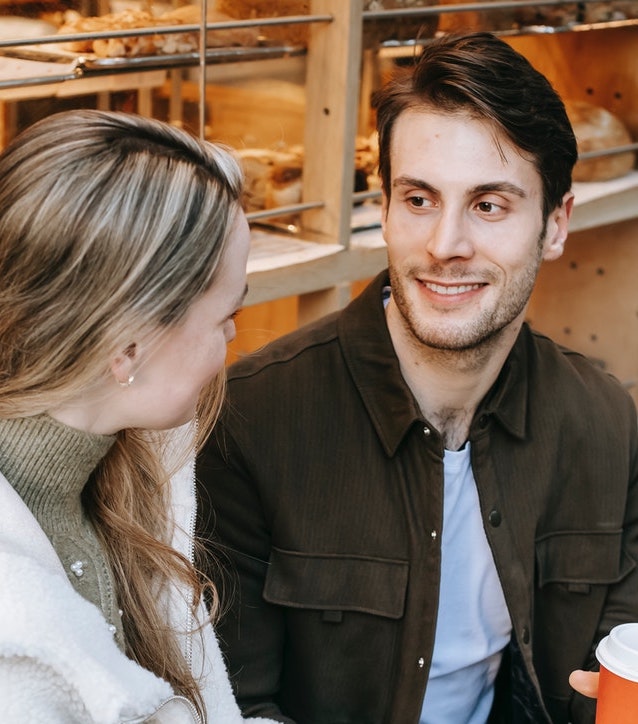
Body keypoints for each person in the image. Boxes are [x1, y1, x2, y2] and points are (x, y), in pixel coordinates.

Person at [197, 32, 638, 724]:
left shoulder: (607, 423)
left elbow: (621, 659)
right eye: (420, 199)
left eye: (489, 205)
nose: (445, 246)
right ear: (385, 205)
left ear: (555, 226)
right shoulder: (249, 422)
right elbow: (229, 702)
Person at [0, 109, 279, 724]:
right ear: (126, 348)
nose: (235, 336)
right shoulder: (11, 631)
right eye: (223, 318)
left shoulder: (122, 476)